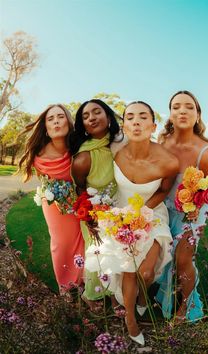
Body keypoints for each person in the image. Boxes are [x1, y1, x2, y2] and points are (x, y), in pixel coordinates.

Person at [85, 101, 179, 345]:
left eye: (143, 117)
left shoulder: (168, 160)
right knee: (128, 266)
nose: (136, 121)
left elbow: (163, 191)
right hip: (120, 214)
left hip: (152, 213)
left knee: (146, 272)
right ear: (124, 125)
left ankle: (140, 298)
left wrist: (140, 213)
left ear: (153, 125)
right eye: (130, 117)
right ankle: (130, 319)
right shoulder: (114, 153)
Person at [156, 90, 208, 323]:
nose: (182, 110)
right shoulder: (161, 144)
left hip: (191, 214)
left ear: (197, 114)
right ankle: (161, 297)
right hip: (162, 209)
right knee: (163, 258)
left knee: (183, 260)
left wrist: (196, 208)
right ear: (170, 113)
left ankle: (185, 308)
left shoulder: (206, 152)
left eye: (189, 106)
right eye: (176, 106)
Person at [18, 104, 84, 296]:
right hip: (55, 205)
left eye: (61, 117)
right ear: (45, 128)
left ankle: (84, 283)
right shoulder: (39, 153)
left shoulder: (78, 146)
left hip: (81, 202)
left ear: (68, 122)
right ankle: (65, 286)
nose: (56, 121)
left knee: (83, 241)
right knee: (60, 243)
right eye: (51, 118)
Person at [69, 99, 121, 313]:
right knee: (98, 254)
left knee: (121, 254)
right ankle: (91, 293)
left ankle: (117, 294)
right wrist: (90, 217)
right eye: (86, 116)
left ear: (108, 117)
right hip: (94, 213)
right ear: (83, 125)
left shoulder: (122, 143)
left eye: (97, 112)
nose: (92, 117)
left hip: (123, 207)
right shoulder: (83, 157)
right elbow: (80, 190)